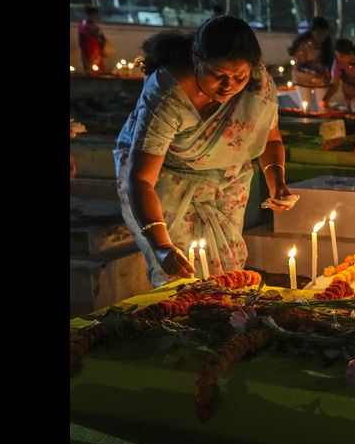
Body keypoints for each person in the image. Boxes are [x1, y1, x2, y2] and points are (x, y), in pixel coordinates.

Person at [113, 16, 295, 288]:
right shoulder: (167, 95)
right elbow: (140, 180)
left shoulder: (258, 87)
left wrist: (277, 184)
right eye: (218, 75)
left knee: (229, 275)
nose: (228, 85)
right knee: (180, 280)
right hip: (167, 182)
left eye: (239, 77)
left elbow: (270, 140)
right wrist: (162, 246)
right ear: (196, 59)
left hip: (226, 184)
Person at [288, 16, 334, 112]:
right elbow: (299, 65)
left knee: (322, 106)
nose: (321, 37)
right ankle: (304, 125)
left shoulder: (328, 46)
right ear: (312, 32)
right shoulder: (305, 45)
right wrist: (313, 72)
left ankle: (323, 125)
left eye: (324, 34)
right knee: (305, 106)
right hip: (302, 78)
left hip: (321, 79)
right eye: (318, 34)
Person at [78, 5, 108, 75]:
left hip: (87, 45)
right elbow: (95, 34)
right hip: (91, 45)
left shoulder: (83, 23)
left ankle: (89, 71)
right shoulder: (89, 24)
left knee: (89, 60)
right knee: (94, 60)